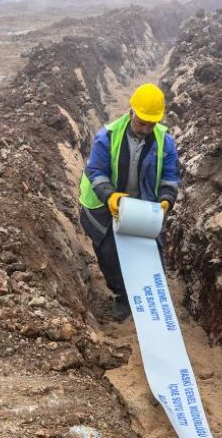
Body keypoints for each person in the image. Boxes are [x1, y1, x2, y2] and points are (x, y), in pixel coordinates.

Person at [78, 83, 180, 321]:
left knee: (150, 249)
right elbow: (96, 170)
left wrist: (166, 200)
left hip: (142, 205)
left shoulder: (165, 143)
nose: (145, 129)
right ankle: (123, 296)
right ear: (131, 111)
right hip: (105, 203)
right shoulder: (108, 137)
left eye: (151, 124)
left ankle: (147, 295)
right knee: (109, 251)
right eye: (142, 122)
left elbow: (170, 177)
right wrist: (110, 195)